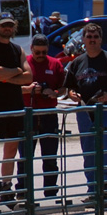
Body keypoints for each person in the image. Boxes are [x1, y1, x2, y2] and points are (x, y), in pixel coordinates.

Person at [63, 22, 107, 203]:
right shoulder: (77, 62)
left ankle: (106, 187)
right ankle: (93, 189)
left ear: (101, 39)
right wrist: (72, 94)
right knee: (88, 148)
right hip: (84, 109)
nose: (92, 40)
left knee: (104, 144)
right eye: (89, 37)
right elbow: (68, 88)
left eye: (95, 37)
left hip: (105, 108)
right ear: (83, 39)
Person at [0, 11, 35, 207]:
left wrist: (8, 75)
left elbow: (29, 77)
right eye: (3, 25)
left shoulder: (17, 49)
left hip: (15, 106)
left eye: (10, 25)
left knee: (11, 150)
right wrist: (16, 72)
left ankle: (6, 189)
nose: (7, 28)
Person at [25, 34, 66, 200]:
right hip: (29, 113)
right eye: (37, 52)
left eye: (43, 52)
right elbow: (13, 86)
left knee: (50, 156)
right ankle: (24, 193)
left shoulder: (55, 64)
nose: (40, 55)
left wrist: (53, 92)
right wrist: (29, 89)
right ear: (31, 49)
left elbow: (64, 88)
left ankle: (51, 192)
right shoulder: (24, 63)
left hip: (49, 114)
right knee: (26, 156)